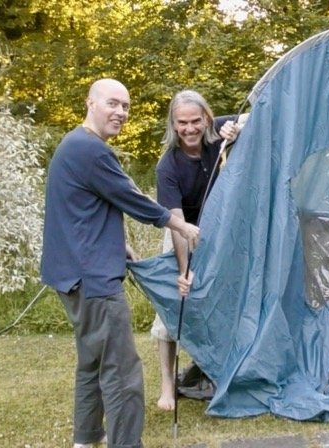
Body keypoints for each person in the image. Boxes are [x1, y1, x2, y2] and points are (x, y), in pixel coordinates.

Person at [40, 78, 200, 448]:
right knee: (122, 372)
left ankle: (86, 440)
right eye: (113, 103)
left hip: (72, 275)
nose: (121, 113)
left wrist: (120, 242)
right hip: (94, 280)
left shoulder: (74, 145)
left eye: (125, 106)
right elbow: (132, 199)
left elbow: (85, 208)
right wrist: (180, 224)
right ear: (90, 103)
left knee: (92, 363)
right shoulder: (91, 150)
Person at [151, 89, 244, 410]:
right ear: (173, 125)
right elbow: (175, 224)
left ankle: (216, 372)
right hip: (181, 232)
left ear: (206, 118)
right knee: (172, 308)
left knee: (220, 304)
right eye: (182, 123)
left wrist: (238, 128)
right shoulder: (168, 167)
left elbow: (257, 113)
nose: (189, 129)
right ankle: (167, 385)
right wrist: (183, 270)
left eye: (195, 121)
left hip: (219, 233)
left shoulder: (217, 131)